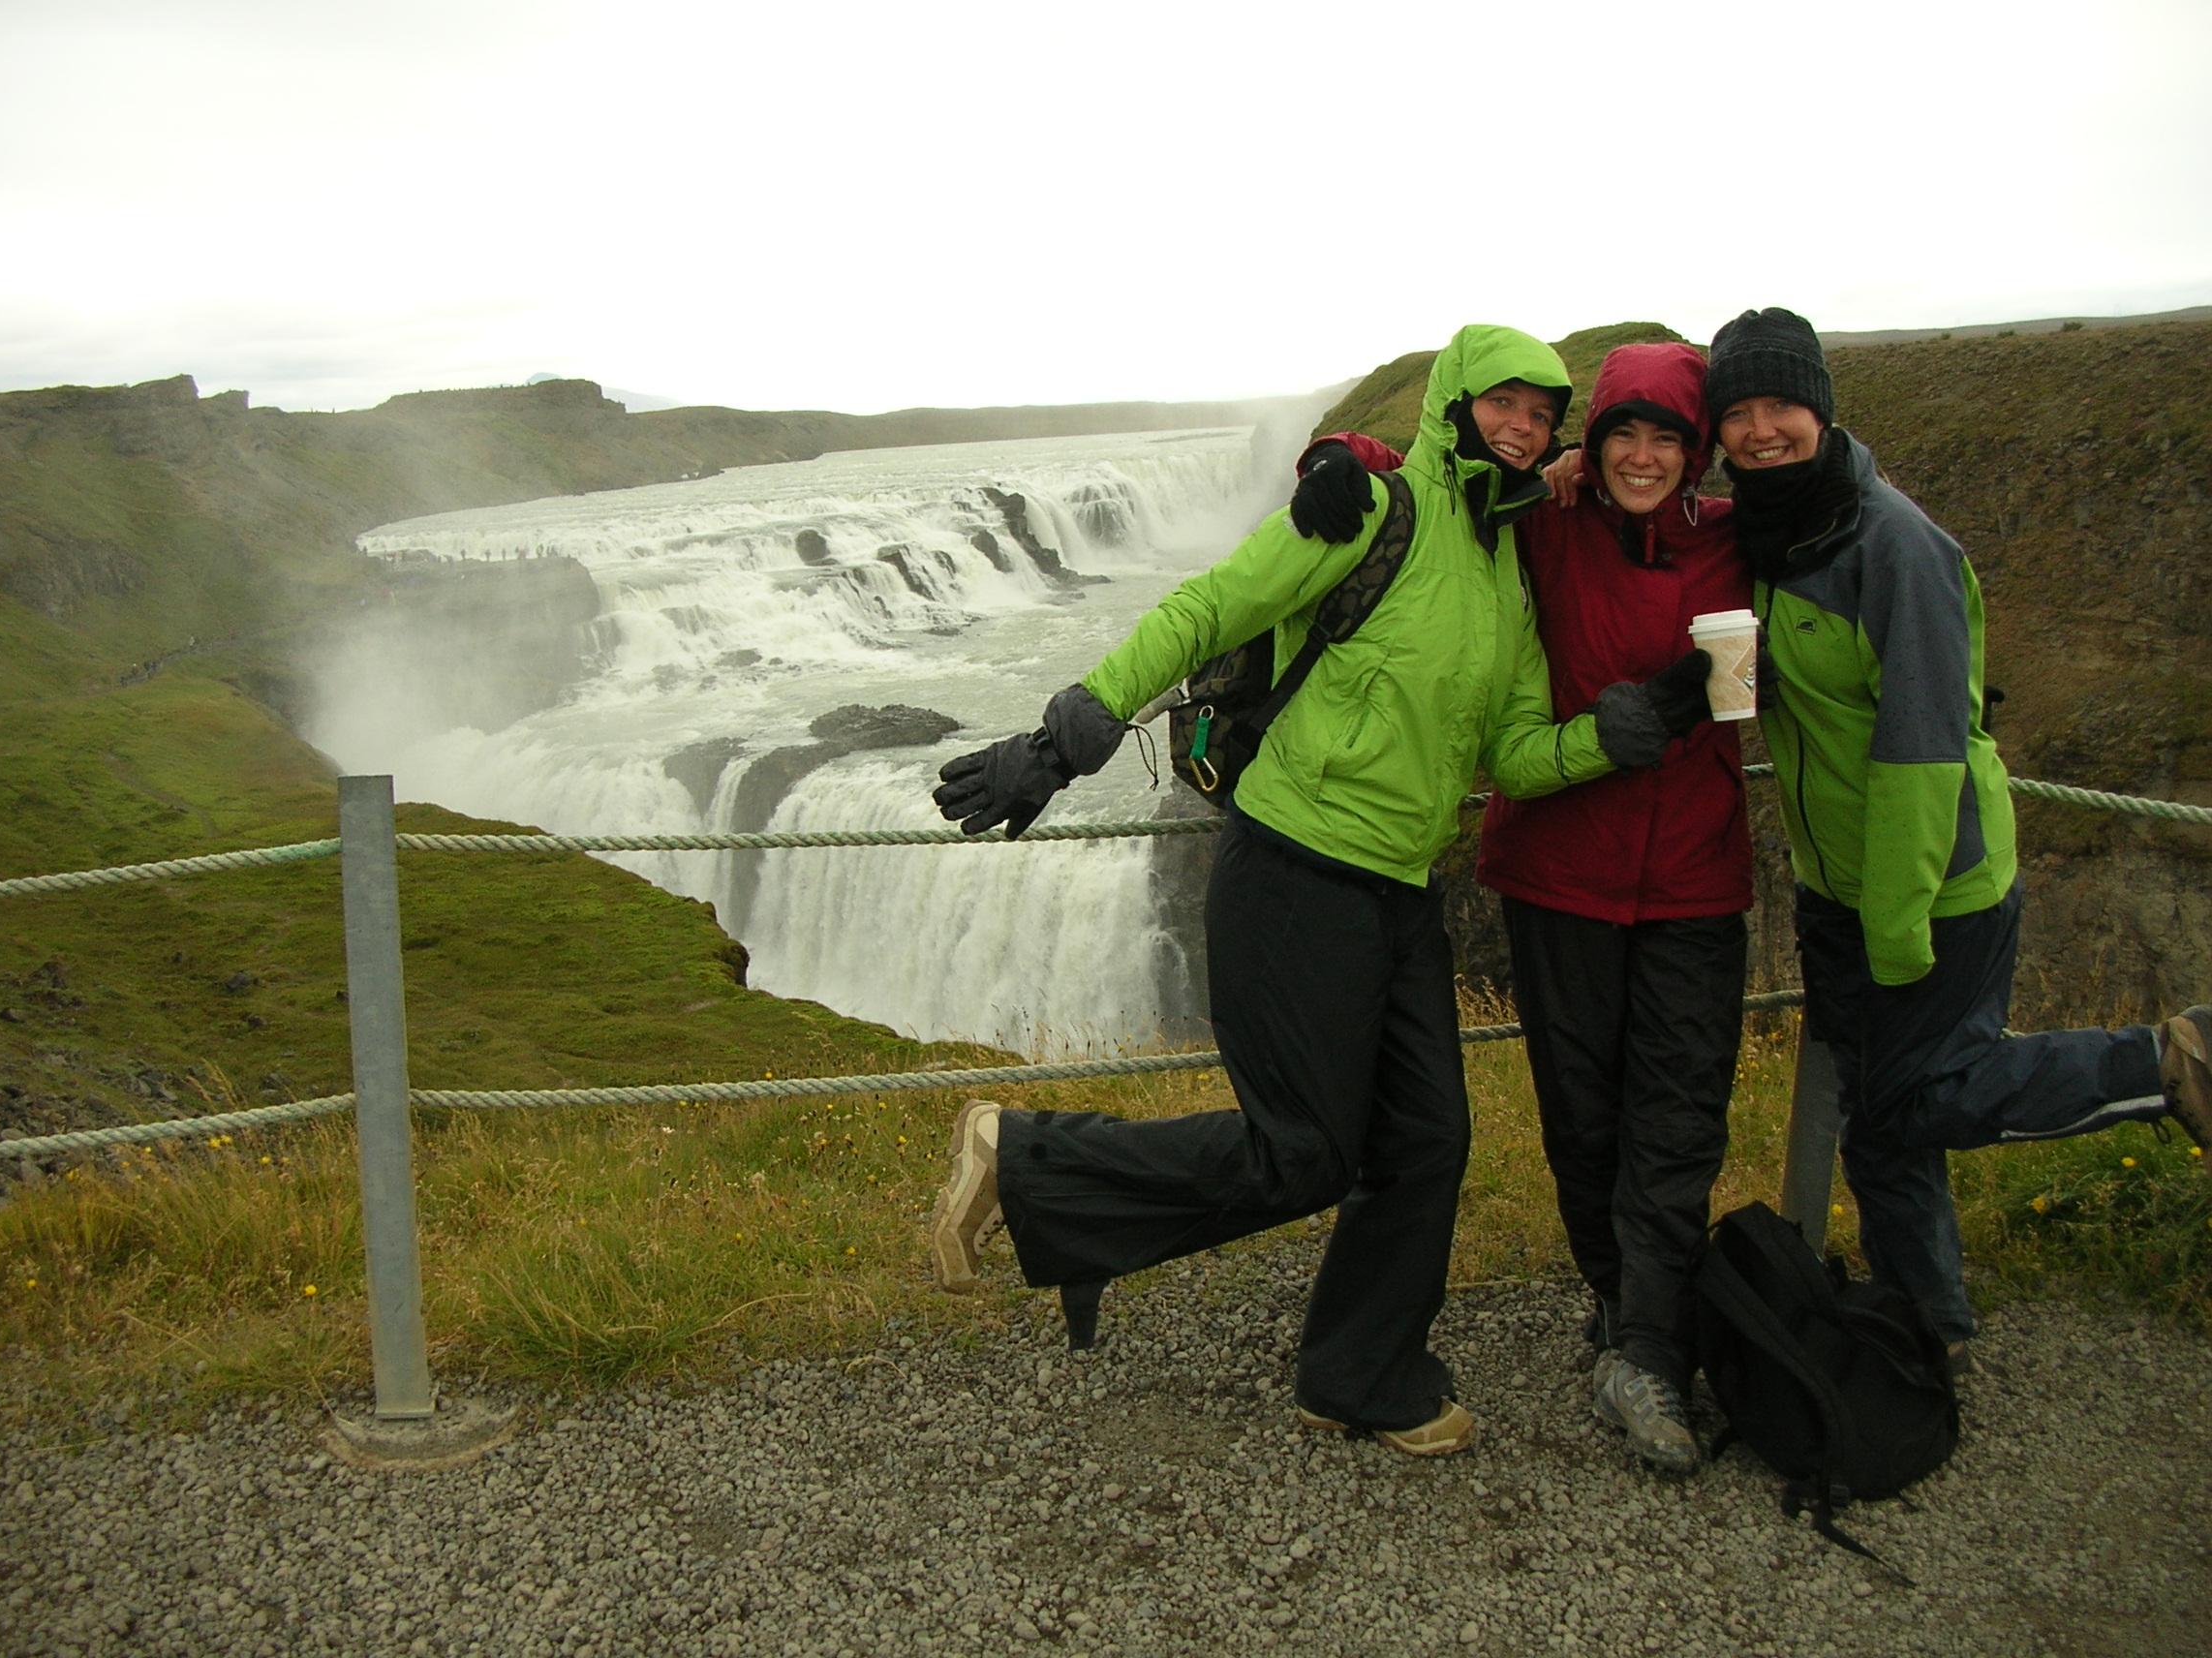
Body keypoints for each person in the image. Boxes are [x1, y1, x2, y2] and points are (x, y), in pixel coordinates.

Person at [925, 324, 1711, 1458]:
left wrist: (1623, 731)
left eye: (1542, 414)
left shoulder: (1506, 572)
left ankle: (1358, 1371)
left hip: (1397, 887)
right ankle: (1025, 1152)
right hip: (1292, 868)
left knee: (1428, 1139)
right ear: (1452, 404)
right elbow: (1213, 606)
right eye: (1501, 403)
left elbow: (1517, 753)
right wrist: (1066, 736)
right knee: (1300, 1150)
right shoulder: (1369, 509)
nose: (1521, 427)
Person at [1705, 307, 2212, 1367]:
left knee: (1921, 1093)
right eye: (1735, 412)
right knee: (1885, 1131)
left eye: (1779, 406)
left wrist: (1892, 924)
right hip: (1838, 885)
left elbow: (1922, 749)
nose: (1758, 430)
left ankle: (2167, 1061)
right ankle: (1923, 1326)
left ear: (1822, 409)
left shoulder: (1893, 543)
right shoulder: (1774, 526)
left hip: (1938, 886)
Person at [1310, 343, 1750, 1474]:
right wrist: (1332, 449)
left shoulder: (1732, 543)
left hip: (1696, 873)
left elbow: (1837, 499)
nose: (1644, 456)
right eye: (1622, 434)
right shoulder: (1539, 527)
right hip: (1558, 872)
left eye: (1666, 437)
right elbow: (1420, 480)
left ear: (1692, 451)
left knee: (1680, 1110)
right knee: (1583, 1114)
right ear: (1588, 446)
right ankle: (1621, 1306)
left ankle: (1646, 1345)